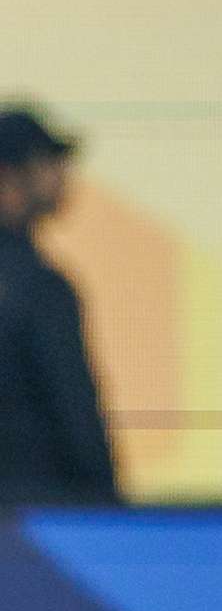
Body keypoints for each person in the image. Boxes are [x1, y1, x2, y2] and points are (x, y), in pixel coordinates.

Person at [0, 104, 114, 501]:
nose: (63, 176)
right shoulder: (36, 287)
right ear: (9, 174)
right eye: (48, 162)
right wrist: (111, 508)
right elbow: (75, 417)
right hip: (36, 524)